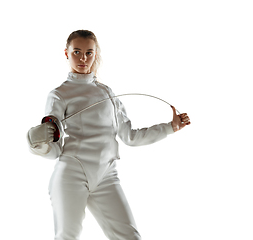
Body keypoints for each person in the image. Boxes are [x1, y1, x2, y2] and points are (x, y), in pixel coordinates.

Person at [27, 29, 190, 240]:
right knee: (67, 236)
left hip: (107, 176)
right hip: (72, 174)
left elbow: (130, 137)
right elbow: (54, 150)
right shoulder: (59, 95)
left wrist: (171, 127)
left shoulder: (107, 93)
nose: (83, 58)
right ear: (66, 53)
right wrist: (38, 144)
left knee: (130, 237)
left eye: (88, 52)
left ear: (96, 54)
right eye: (76, 52)